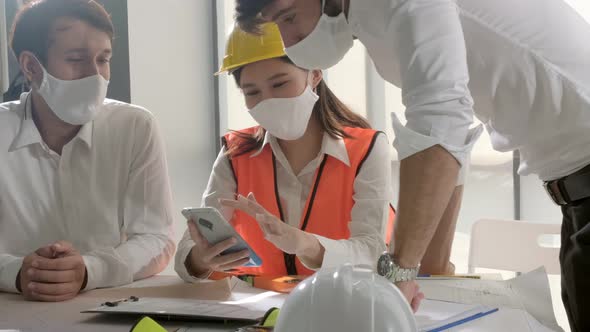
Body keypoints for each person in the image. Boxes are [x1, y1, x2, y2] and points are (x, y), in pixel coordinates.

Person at [235, 0, 590, 328]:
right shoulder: (374, 23)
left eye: (289, 16)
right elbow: (452, 132)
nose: (290, 40)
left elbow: (439, 123)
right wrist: (422, 270)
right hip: (573, 190)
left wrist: (400, 273)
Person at [175, 23, 395, 282]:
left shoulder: (367, 149)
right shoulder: (235, 153)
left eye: (280, 84)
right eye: (252, 92)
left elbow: (372, 251)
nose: (268, 100)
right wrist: (201, 259)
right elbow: (187, 256)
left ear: (314, 74)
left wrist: (305, 244)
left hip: (342, 303)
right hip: (257, 313)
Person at [0, 0, 175, 302]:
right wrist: (17, 272)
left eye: (103, 60)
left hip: (106, 309)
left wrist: (89, 270)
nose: (94, 75)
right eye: (76, 59)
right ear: (31, 66)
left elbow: (156, 237)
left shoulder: (134, 126)